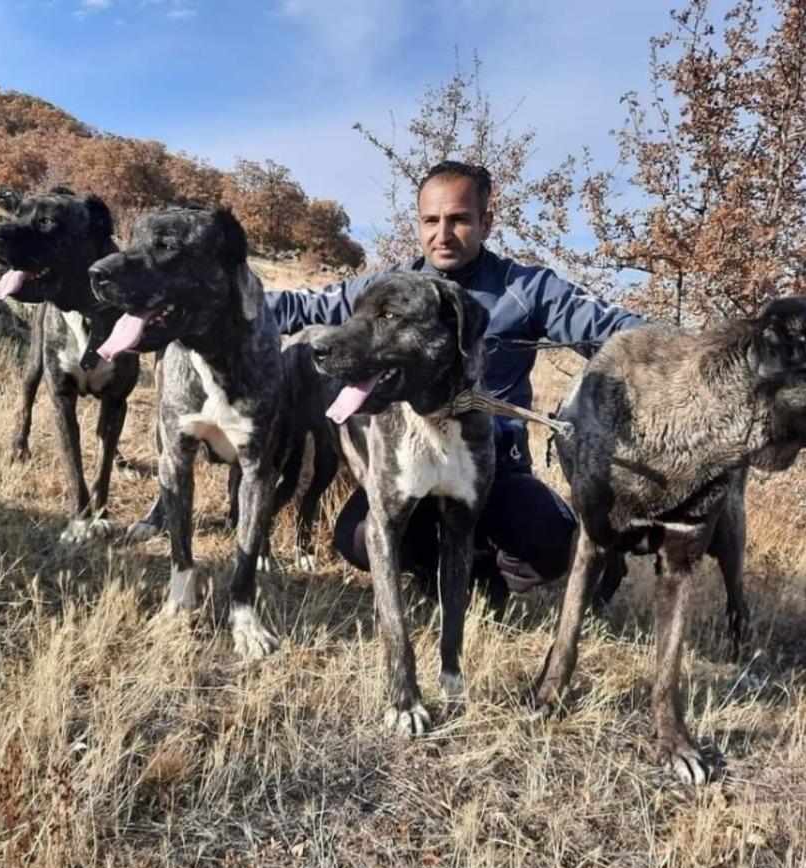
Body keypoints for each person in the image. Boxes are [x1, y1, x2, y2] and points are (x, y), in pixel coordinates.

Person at [266, 160, 645, 601]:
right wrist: (225, 301)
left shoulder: (528, 288)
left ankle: (488, 572)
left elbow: (613, 329)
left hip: (496, 467)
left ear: (486, 222)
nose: (442, 234)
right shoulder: (390, 288)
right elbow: (303, 305)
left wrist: (680, 348)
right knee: (356, 538)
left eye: (459, 219)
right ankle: (437, 571)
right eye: (431, 220)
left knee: (552, 542)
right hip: (412, 463)